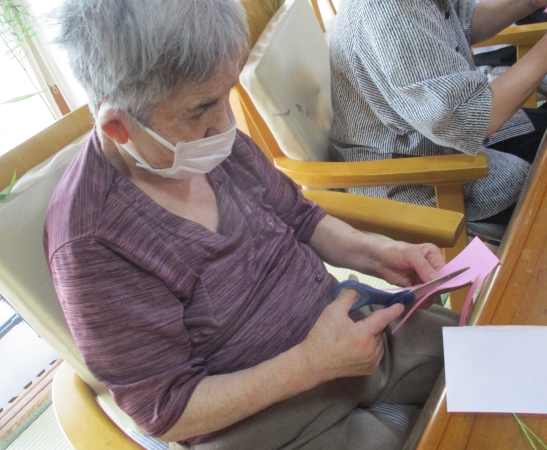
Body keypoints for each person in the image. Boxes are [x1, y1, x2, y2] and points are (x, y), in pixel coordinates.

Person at [45, 1, 457, 449]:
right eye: (200, 110)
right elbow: (164, 410)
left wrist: (377, 253)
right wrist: (311, 363)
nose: (226, 123)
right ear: (119, 127)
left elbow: (301, 218)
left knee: (487, 350)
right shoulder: (91, 244)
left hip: (343, 332)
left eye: (227, 93)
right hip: (261, 420)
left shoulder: (208, 143)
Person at [329, 0, 547, 225]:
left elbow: (462, 21)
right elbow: (468, 119)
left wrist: (530, 2)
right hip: (411, 174)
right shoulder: (389, 12)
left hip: (437, 136)